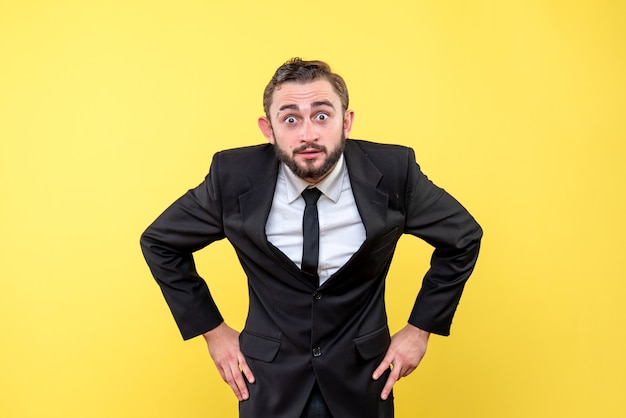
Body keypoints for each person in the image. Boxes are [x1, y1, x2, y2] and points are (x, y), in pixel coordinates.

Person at [140, 58, 482, 418]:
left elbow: (462, 237)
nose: (308, 134)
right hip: (268, 382)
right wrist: (212, 330)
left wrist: (420, 329)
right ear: (268, 129)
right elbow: (161, 242)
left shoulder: (395, 171)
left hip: (363, 379)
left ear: (346, 122)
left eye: (321, 116)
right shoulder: (233, 177)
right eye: (290, 119)